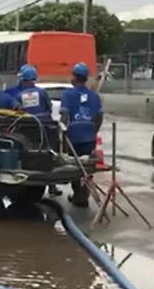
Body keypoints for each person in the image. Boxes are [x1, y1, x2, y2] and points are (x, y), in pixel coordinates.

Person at [59, 62, 103, 207]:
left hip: (74, 136)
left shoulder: (68, 94)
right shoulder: (94, 96)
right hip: (89, 136)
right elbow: (99, 117)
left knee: (75, 167)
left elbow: (64, 116)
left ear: (74, 77)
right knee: (87, 166)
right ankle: (83, 194)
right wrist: (93, 131)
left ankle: (79, 194)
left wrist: (62, 132)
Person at [15, 65, 62, 196]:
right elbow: (49, 107)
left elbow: (18, 112)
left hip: (27, 130)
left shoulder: (20, 95)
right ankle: (52, 186)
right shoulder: (42, 92)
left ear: (24, 80)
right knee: (50, 154)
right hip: (45, 128)